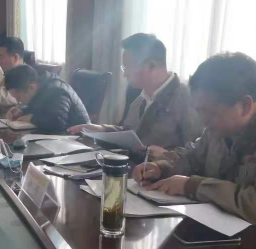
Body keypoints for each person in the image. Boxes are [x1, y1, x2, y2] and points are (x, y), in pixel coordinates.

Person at [133, 52, 256, 249]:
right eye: (200, 111)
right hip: (222, 233)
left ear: (245, 105)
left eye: (209, 114)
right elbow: (194, 156)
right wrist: (161, 167)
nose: (204, 122)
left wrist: (192, 186)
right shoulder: (221, 123)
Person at [68, 33, 202, 160]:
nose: (125, 74)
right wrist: (101, 129)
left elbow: (197, 153)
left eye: (128, 67)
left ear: (151, 66)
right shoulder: (140, 97)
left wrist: (166, 155)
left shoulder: (186, 98)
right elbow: (130, 132)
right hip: (134, 168)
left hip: (162, 172)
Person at [4, 64, 90, 133]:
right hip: (62, 137)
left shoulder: (56, 90)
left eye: (18, 97)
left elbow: (57, 122)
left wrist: (31, 118)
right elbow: (43, 110)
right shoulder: (40, 88)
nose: (18, 101)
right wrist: (22, 111)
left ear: (31, 87)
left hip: (81, 139)